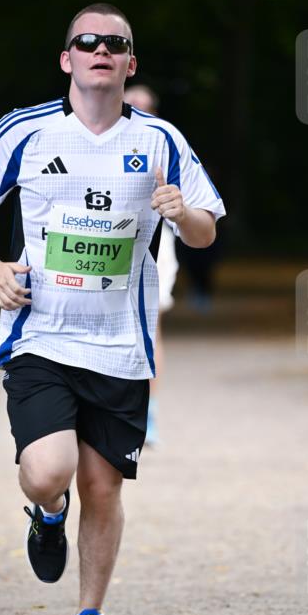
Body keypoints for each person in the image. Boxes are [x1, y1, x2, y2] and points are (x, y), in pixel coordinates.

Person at [0, 3, 225, 615]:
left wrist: (180, 212)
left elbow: (206, 229)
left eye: (116, 44)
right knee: (50, 471)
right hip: (39, 336)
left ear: (130, 63)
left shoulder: (160, 140)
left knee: (104, 489)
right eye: (87, 41)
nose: (101, 49)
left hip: (119, 347)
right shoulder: (26, 132)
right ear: (67, 58)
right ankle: (47, 515)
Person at [123, 84, 178, 445]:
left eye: (147, 106)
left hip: (155, 243)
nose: (141, 110)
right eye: (133, 104)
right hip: (106, 239)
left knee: (150, 321)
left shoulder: (165, 145)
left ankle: (149, 409)